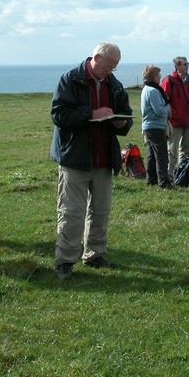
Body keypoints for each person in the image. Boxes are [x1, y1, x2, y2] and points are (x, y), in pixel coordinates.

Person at [50, 42, 133, 280]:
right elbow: (58, 114)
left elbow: (126, 114)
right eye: (108, 66)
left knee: (101, 210)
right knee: (71, 212)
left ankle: (94, 254)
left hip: (104, 158)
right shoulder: (70, 79)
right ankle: (65, 260)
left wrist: (122, 122)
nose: (110, 71)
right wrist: (91, 114)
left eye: (114, 68)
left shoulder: (113, 85)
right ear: (96, 58)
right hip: (75, 159)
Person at [161, 56, 189, 179]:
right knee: (172, 149)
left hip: (188, 120)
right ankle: (170, 174)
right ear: (177, 66)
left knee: (186, 149)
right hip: (175, 122)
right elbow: (164, 100)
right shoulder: (169, 80)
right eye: (184, 64)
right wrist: (173, 115)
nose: (187, 66)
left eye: (187, 64)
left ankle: (183, 173)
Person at [140, 65, 171, 188]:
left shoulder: (146, 89)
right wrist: (167, 108)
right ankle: (163, 182)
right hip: (155, 126)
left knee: (151, 154)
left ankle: (151, 178)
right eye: (158, 75)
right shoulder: (153, 91)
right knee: (161, 155)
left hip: (149, 126)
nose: (160, 77)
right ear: (153, 77)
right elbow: (159, 111)